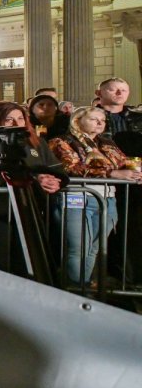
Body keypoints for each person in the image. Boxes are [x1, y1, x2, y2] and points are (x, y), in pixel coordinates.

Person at [0, 100, 66, 276]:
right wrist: (34, 178)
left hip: (32, 211)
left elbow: (55, 169)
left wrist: (54, 180)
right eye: (9, 119)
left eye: (20, 118)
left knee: (28, 265)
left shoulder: (36, 142)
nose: (17, 124)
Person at [48, 106, 142, 285]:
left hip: (107, 198)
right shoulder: (61, 141)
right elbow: (70, 168)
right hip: (77, 198)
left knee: (93, 249)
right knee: (77, 249)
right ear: (77, 121)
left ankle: (83, 287)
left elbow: (124, 162)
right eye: (94, 119)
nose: (100, 123)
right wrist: (110, 174)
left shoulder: (106, 142)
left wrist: (135, 170)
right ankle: (75, 290)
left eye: (102, 120)